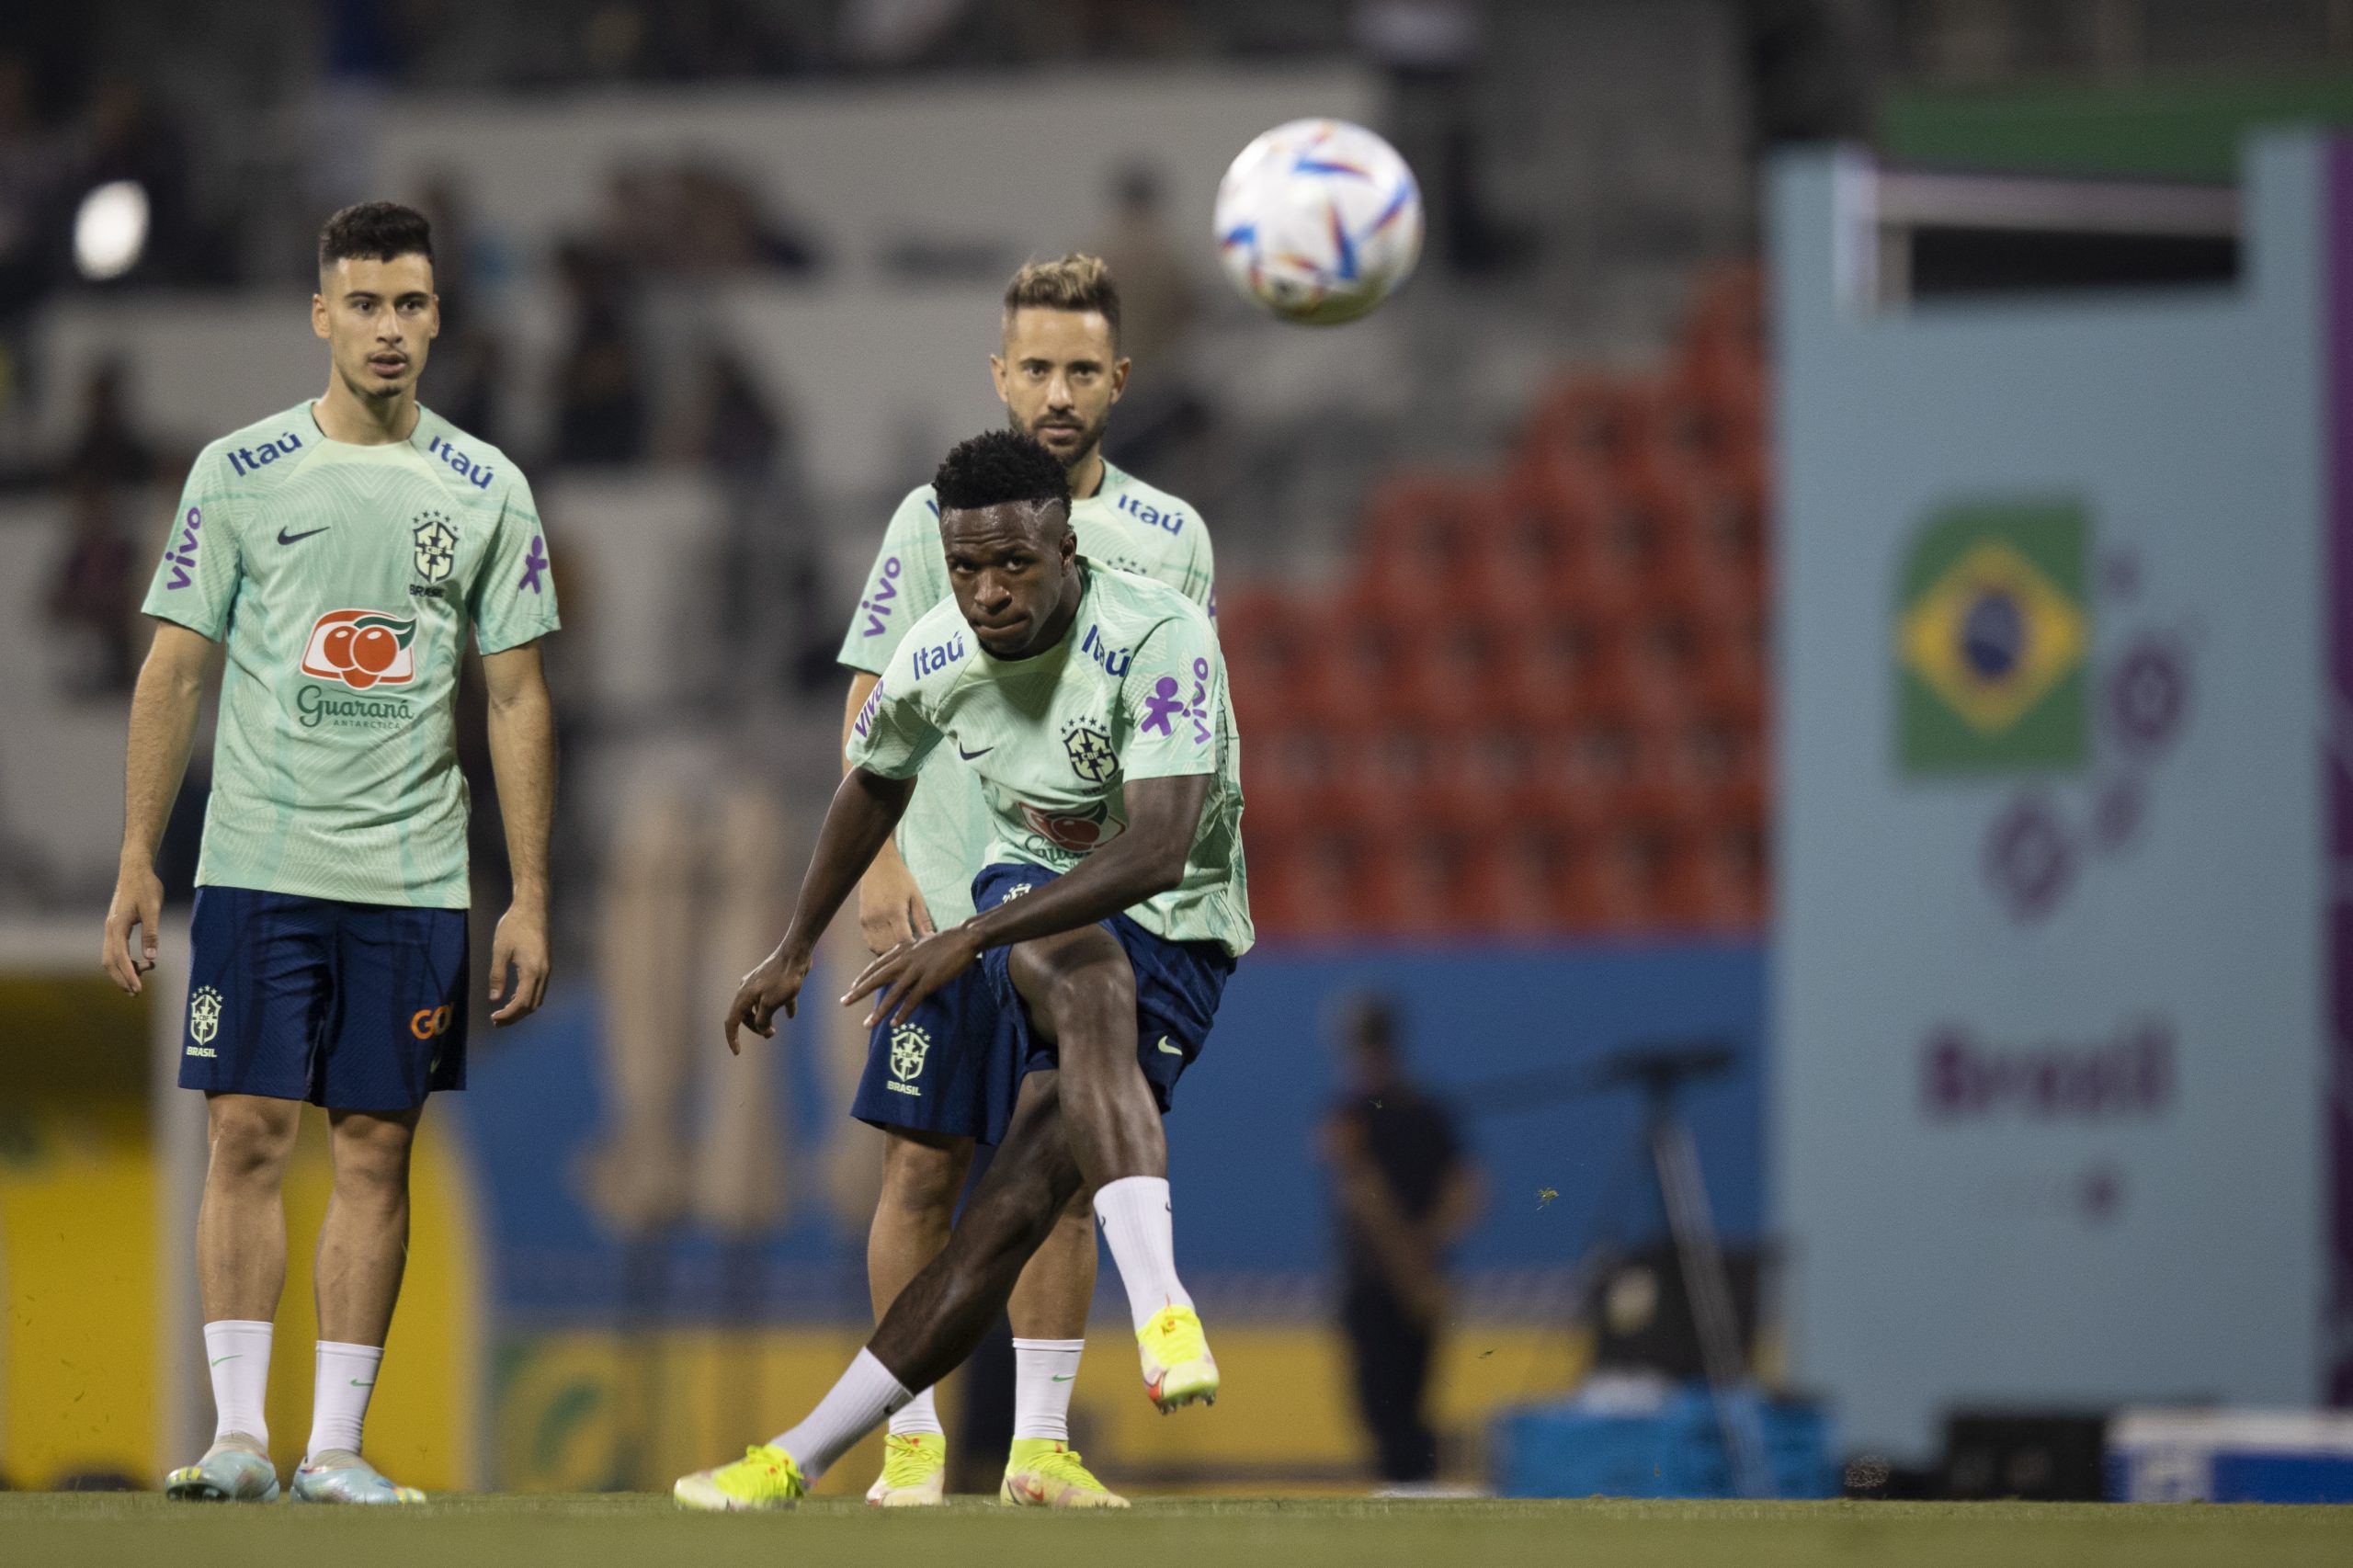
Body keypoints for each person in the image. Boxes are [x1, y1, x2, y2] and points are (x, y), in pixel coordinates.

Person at [674, 428, 1249, 1511]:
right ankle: (1164, 1308)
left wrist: (969, 940)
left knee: (1007, 1212)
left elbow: (1159, 849)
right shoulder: (935, 651)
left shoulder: (1161, 636)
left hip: (1178, 918)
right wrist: (794, 941)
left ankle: (804, 1444)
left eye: (1014, 565)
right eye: (966, 568)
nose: (988, 590)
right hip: (1029, 895)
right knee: (1081, 979)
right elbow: (871, 780)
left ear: (1065, 546)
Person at [100, 200, 559, 1506]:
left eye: (411, 303)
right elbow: (171, 671)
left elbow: (517, 697)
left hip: (413, 877)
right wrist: (140, 852)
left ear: (437, 315)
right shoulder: (237, 472)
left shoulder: (486, 490)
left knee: (374, 1146)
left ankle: (338, 1447)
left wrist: (527, 891)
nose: (391, 328)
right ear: (321, 315)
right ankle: (240, 1433)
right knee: (244, 1130)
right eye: (364, 303)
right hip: (256, 862)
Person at [833, 254, 1215, 1506]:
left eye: (1080, 369)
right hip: (949, 891)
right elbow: (872, 699)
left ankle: (1041, 1446)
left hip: (1090, 909)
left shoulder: (1170, 537)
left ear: (1119, 377)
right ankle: (908, 1446)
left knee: (1059, 1168)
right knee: (921, 1163)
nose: (1057, 391)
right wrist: (884, 864)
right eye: (1034, 367)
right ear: (1000, 373)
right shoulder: (929, 515)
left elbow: (1178, 721)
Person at [1318, 994, 1483, 1487]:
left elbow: (1364, 1195)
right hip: (1425, 1278)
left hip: (1378, 1282)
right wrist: (1429, 1248)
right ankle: (1418, 1490)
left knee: (1384, 1404)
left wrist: (1407, 1263)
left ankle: (1410, 1497)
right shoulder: (1426, 1106)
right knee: (1411, 1401)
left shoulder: (1352, 1113)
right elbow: (1467, 1188)